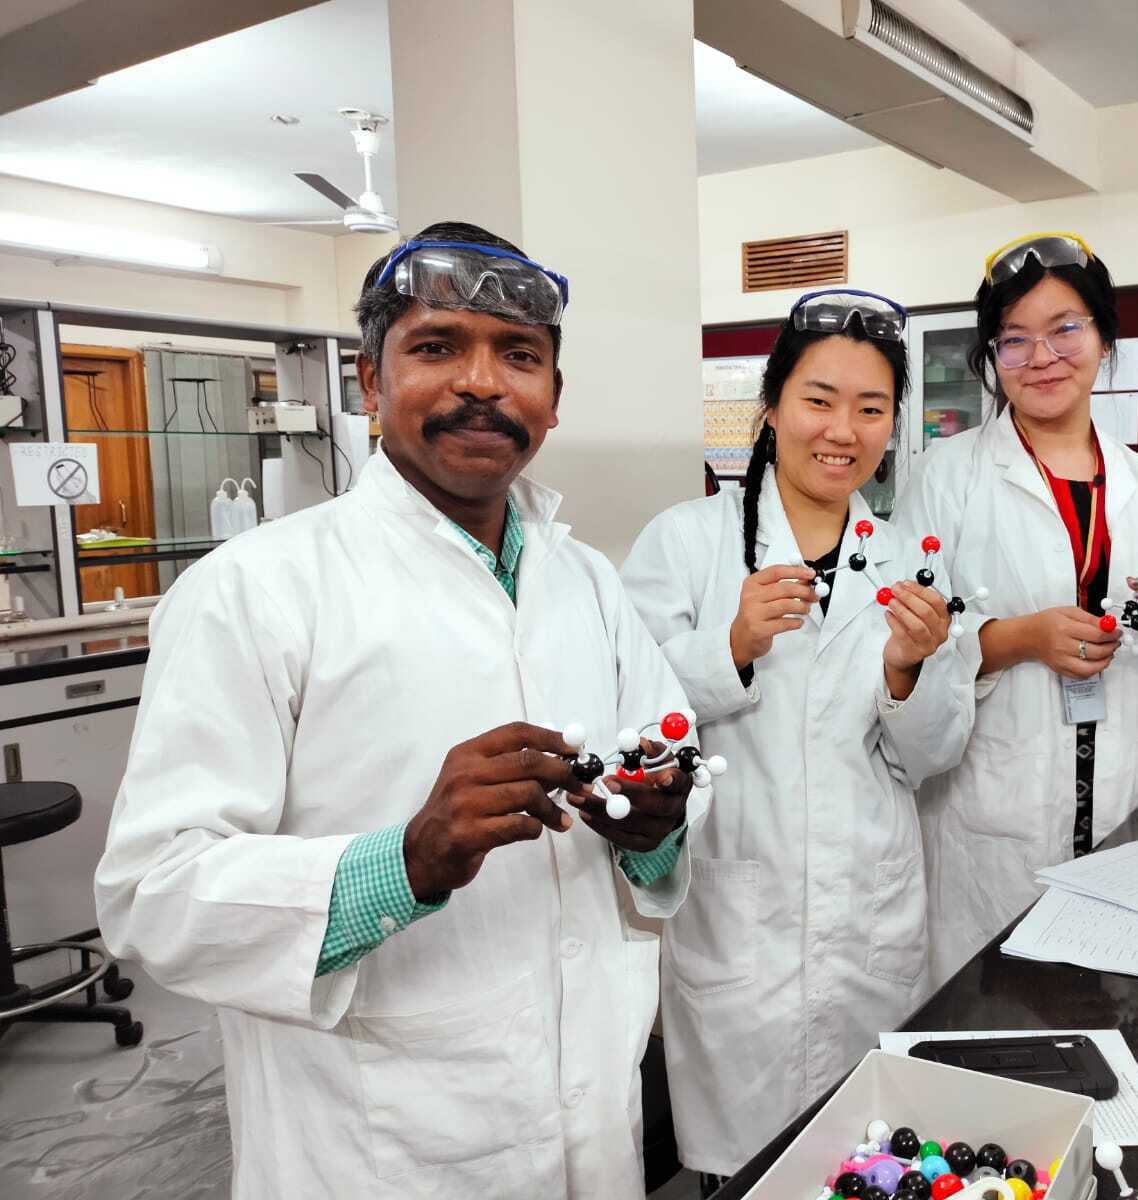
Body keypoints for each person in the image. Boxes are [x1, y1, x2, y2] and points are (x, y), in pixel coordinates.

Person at [95, 222, 700, 1199]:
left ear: (552, 398)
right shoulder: (255, 589)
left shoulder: (588, 582)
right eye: (435, 348)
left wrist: (656, 822)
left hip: (592, 1115)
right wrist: (405, 859)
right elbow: (152, 896)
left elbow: (665, 782)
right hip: (378, 1143)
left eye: (519, 356)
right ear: (370, 385)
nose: (482, 383)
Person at [621, 289, 974, 1193]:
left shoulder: (911, 565)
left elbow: (930, 758)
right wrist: (728, 647)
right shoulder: (686, 545)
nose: (841, 430)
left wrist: (906, 673)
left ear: (893, 424)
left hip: (871, 922)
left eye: (870, 408)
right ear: (772, 406)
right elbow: (626, 728)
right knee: (744, 1175)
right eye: (819, 400)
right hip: (741, 922)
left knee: (870, 1165)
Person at [896, 232, 1138, 986]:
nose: (1040, 357)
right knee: (997, 1017)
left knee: (1114, 1010)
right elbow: (907, 632)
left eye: (1065, 328)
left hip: (1124, 793)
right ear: (990, 356)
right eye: (1013, 340)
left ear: (1105, 340)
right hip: (994, 807)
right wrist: (1011, 639)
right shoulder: (947, 477)